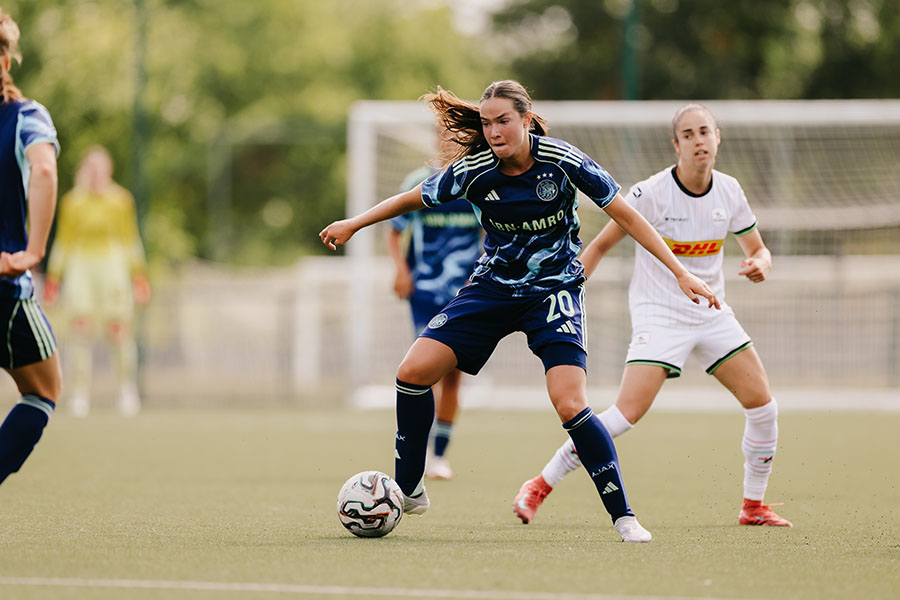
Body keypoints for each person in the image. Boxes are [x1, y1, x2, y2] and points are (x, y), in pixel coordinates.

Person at [321, 80, 721, 543]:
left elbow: (627, 216)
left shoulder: (563, 161)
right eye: (487, 123)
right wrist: (354, 223)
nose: (493, 131)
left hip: (554, 293)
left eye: (503, 121)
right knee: (412, 372)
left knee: (570, 403)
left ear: (527, 121)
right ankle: (409, 488)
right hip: (492, 288)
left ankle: (624, 517)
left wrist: (679, 272)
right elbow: (411, 200)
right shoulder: (473, 170)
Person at [513, 103, 792, 528]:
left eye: (706, 132)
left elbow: (757, 248)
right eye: (689, 134)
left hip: (711, 312)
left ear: (718, 138)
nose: (699, 140)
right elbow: (603, 245)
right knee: (624, 416)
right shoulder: (651, 193)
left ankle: (753, 506)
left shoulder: (730, 190)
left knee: (764, 407)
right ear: (676, 144)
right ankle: (540, 483)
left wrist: (761, 263)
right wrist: (568, 290)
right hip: (659, 315)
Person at [386, 127, 482, 481]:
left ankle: (439, 455)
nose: (448, 142)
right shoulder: (419, 181)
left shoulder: (477, 182)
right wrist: (400, 271)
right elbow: (394, 230)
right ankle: (419, 449)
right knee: (423, 372)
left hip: (466, 293)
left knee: (454, 375)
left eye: (456, 137)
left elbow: (492, 235)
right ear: (433, 139)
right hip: (425, 291)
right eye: (443, 135)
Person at [0, 9, 62, 486]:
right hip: (4, 284)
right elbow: (42, 170)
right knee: (42, 389)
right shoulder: (24, 117)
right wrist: (34, 250)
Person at [42, 146, 150, 417]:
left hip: (112, 267)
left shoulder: (120, 200)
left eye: (100, 168)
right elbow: (63, 242)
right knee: (80, 328)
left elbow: (130, 240)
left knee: (118, 328)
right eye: (91, 168)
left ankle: (127, 390)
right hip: (81, 268)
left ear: (109, 170)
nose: (95, 174)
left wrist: (139, 277)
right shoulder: (72, 202)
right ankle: (79, 393)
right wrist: (54, 279)